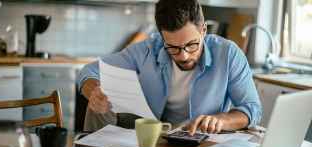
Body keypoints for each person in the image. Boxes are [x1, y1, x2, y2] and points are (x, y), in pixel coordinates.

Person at [77, 0, 262, 135]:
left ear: (203, 30)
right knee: (97, 104)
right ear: (161, 36)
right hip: (153, 131)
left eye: (191, 45)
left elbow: (252, 108)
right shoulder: (147, 49)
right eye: (172, 47)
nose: (184, 55)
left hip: (199, 138)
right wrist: (94, 92)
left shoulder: (228, 54)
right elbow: (88, 71)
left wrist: (221, 120)